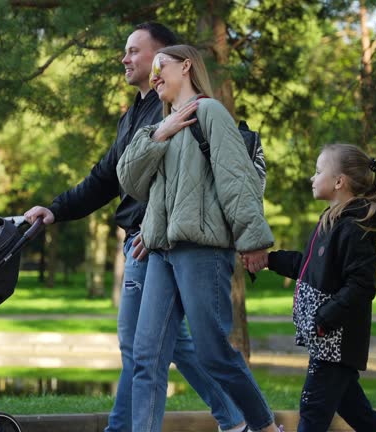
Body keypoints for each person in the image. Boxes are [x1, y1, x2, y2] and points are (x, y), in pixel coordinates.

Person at [24, 23, 246, 432]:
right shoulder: (135, 115)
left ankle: (125, 428)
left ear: (167, 57)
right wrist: (55, 210)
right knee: (166, 346)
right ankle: (237, 418)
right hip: (142, 241)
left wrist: (153, 226)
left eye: (133, 51)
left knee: (143, 351)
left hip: (153, 243)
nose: (125, 59)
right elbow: (104, 179)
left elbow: (199, 182)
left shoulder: (181, 110)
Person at [117, 44, 281, 432]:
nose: (154, 75)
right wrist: (160, 133)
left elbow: (236, 181)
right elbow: (130, 181)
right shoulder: (159, 126)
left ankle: (265, 427)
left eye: (161, 65)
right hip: (162, 253)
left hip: (202, 251)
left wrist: (252, 239)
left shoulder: (209, 112)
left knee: (213, 352)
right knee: (145, 355)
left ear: (187, 66)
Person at [260, 144, 376, 432]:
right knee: (358, 413)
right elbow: (306, 267)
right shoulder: (331, 221)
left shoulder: (354, 228)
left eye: (318, 171)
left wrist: (324, 320)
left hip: (336, 340)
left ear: (338, 182)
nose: (312, 177)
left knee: (312, 409)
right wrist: (268, 260)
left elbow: (361, 286)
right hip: (328, 340)